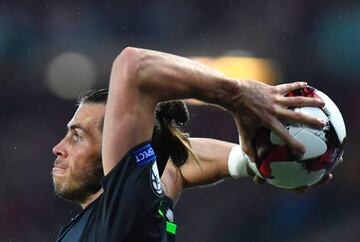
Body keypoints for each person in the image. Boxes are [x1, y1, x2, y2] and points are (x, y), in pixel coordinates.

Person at [52, 47, 327, 242]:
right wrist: (253, 161)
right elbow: (177, 166)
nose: (58, 147)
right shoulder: (132, 212)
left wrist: (238, 94)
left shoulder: (124, 217)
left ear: (114, 152)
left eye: (77, 136)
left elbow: (133, 65)